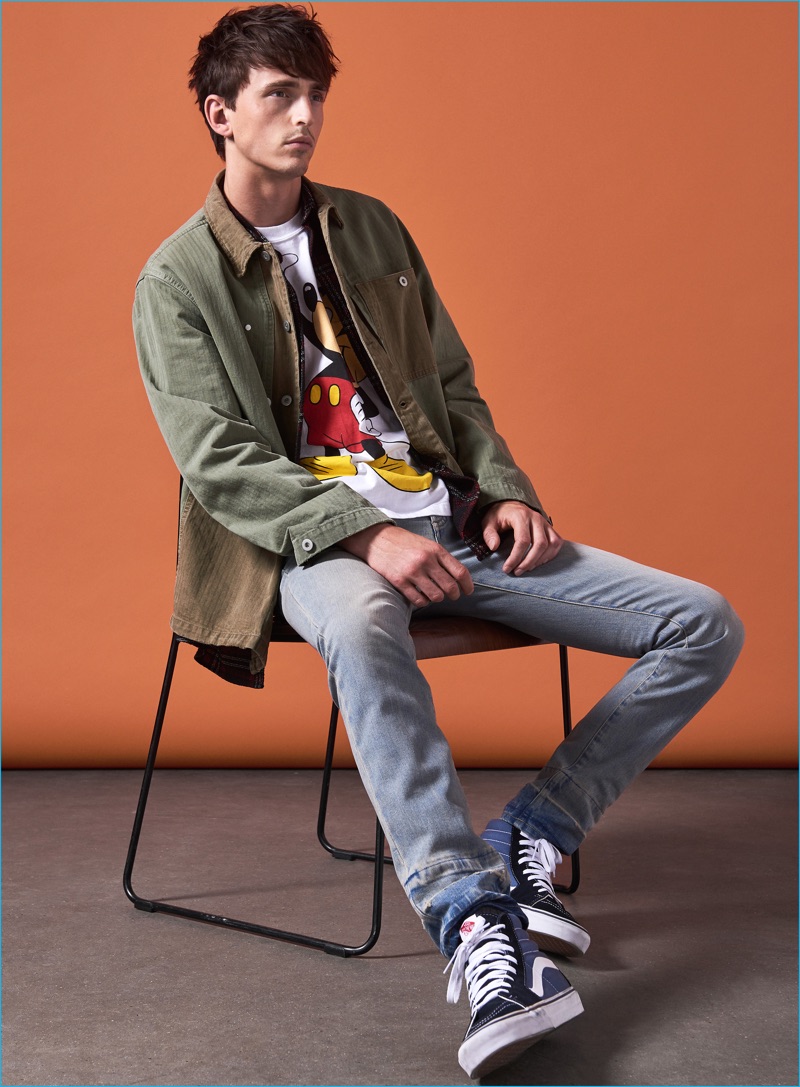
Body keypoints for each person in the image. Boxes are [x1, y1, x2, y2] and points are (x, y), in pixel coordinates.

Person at [133, 3, 744, 1077]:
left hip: (447, 520)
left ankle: (533, 829)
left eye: (315, 94)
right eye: (279, 95)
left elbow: (450, 383)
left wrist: (501, 490)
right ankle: (473, 919)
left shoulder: (371, 227)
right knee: (366, 627)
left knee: (700, 621)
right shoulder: (175, 279)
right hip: (309, 549)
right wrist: (363, 535)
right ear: (220, 114)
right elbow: (218, 459)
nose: (305, 116)